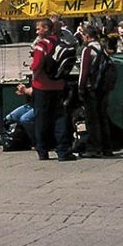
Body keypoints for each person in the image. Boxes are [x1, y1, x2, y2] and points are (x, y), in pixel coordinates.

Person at [29, 18, 75, 162]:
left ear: (46, 29)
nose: (37, 31)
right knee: (59, 118)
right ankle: (63, 150)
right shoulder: (61, 44)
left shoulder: (41, 45)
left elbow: (36, 65)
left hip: (42, 86)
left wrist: (32, 71)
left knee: (42, 119)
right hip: (58, 85)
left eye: (39, 28)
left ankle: (42, 150)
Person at [76, 25, 115, 157]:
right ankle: (107, 147)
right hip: (103, 89)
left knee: (92, 119)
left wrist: (80, 88)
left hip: (91, 89)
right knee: (102, 117)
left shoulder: (88, 50)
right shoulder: (102, 48)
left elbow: (84, 71)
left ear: (87, 36)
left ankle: (94, 148)